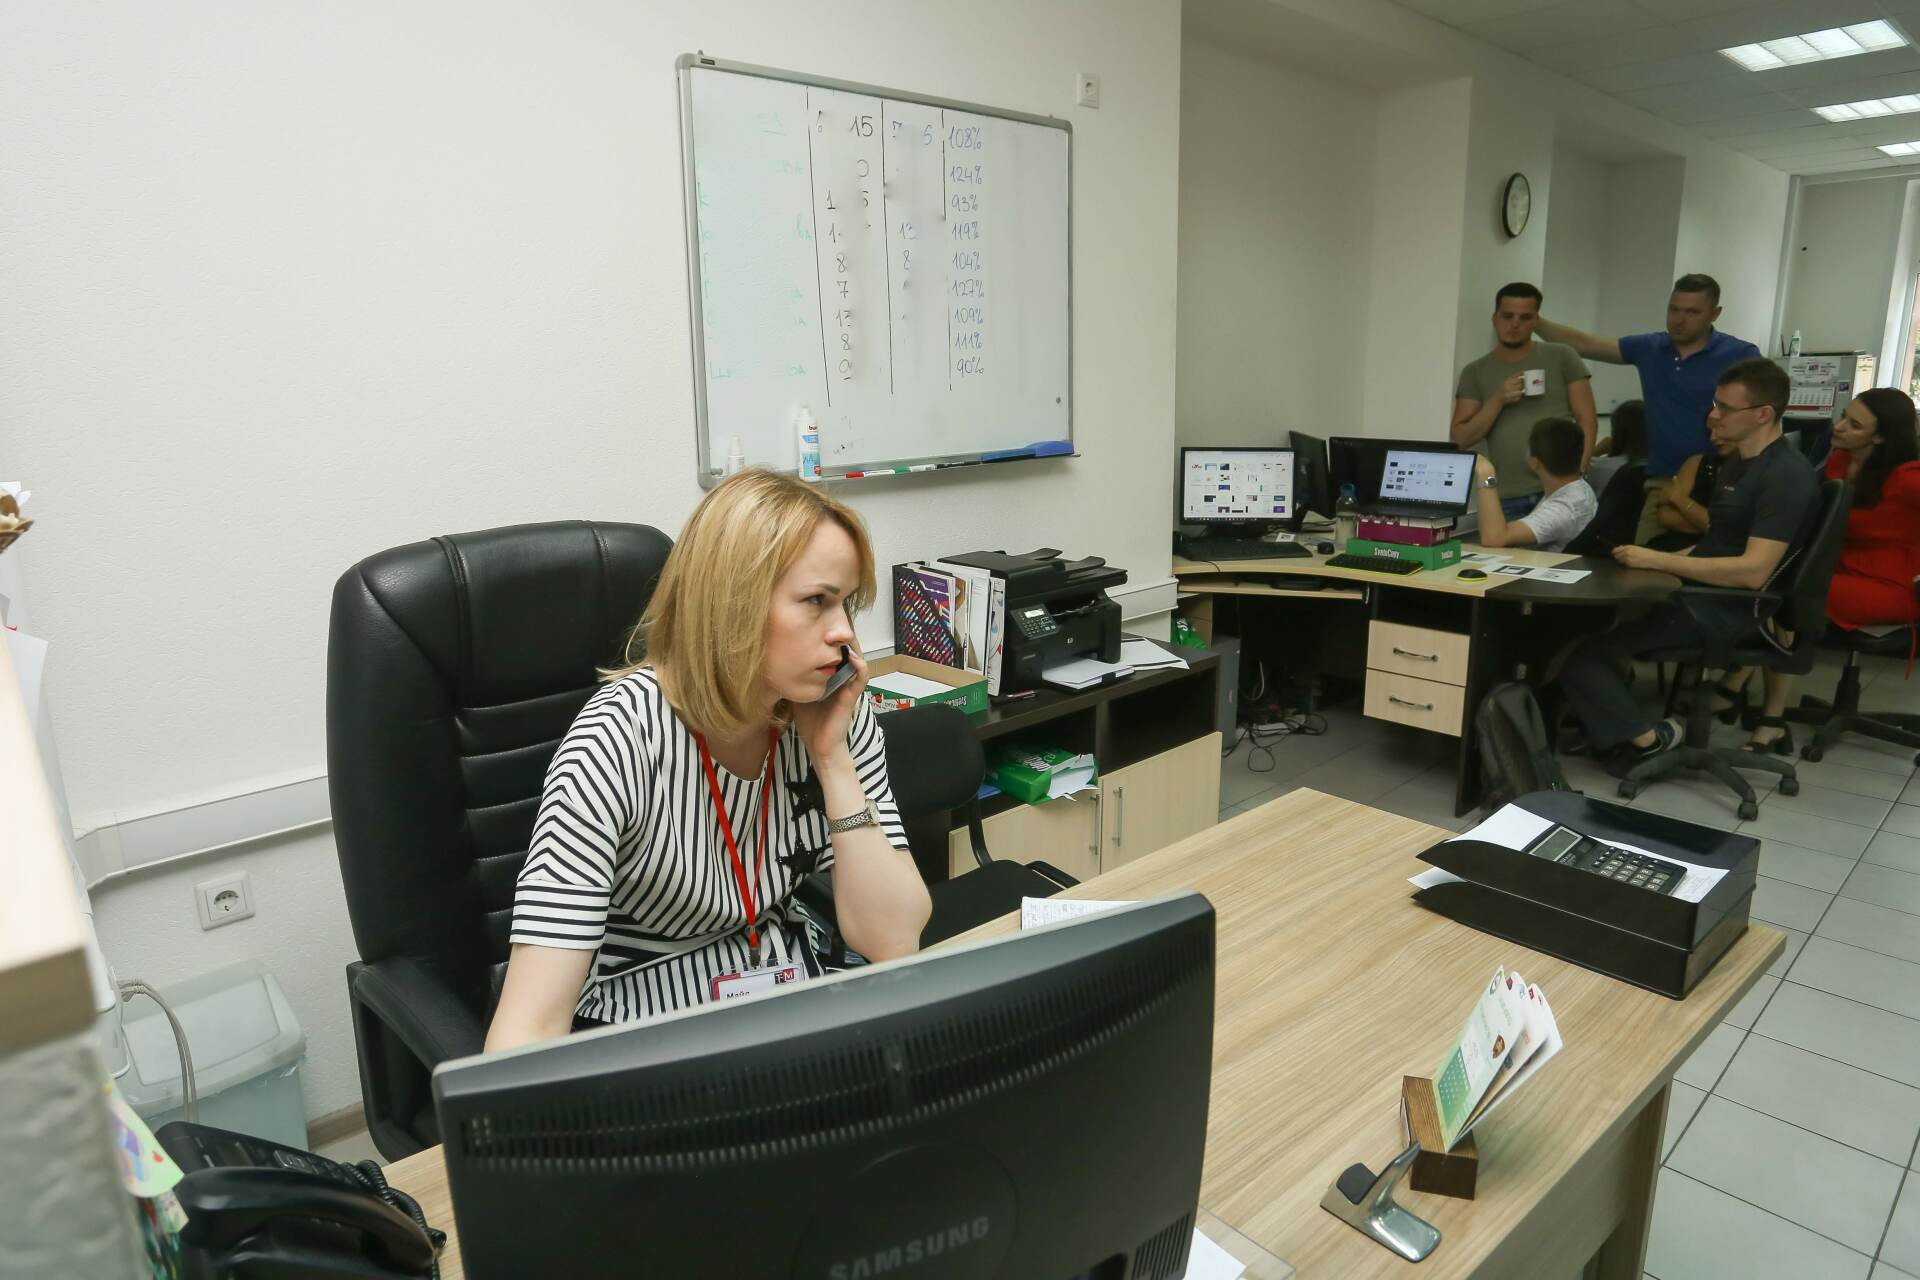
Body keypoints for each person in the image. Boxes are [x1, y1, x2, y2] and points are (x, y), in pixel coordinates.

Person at [485, 470, 932, 1052]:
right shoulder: (618, 736)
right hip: (643, 1026)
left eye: (846, 603)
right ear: (733, 604)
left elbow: (894, 942)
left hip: (786, 999)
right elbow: (530, 1025)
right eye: (816, 602)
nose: (844, 633)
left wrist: (832, 760)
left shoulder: (831, 706)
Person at [1555, 358, 1819, 775]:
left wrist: (1659, 560)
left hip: (1727, 608)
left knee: (1579, 654)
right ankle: (1611, 732)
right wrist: (1658, 564)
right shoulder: (1740, 464)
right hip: (1702, 594)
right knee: (1581, 625)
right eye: (1716, 404)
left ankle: (1649, 737)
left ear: (1763, 414)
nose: (1714, 415)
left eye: (1725, 408)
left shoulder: (1784, 476)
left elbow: (1753, 572)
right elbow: (1717, 543)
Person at [1715, 388, 1920, 753]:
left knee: (1786, 591)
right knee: (1777, 581)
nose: (1839, 427)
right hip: (1836, 570)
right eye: (1843, 416)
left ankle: (1739, 687)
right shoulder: (1838, 461)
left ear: (1880, 437)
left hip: (1891, 584)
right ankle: (1768, 717)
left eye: (1854, 425)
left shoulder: (1909, 480)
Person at [1535, 274, 1762, 537]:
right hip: (1663, 481)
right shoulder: (1650, 347)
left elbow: (1763, 413)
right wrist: (1534, 321)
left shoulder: (1740, 354)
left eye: (1692, 312)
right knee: (1645, 557)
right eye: (1674, 309)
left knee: (1719, 552)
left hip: (1723, 480)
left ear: (1714, 314)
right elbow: (1585, 344)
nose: (1679, 319)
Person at [1451, 283, 1597, 518]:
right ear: (1495, 318)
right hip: (1508, 494)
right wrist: (1498, 399)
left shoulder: (1562, 356)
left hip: (1560, 490)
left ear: (1536, 321)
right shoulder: (1476, 371)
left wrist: (1578, 473)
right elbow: (1460, 439)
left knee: (1568, 546)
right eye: (1508, 316)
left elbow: (1587, 420)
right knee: (1502, 543)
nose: (1515, 324)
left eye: (1525, 317)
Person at [1469, 417, 1596, 552]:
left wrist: (1486, 472)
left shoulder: (1564, 508)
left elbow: (1494, 538)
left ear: (1535, 462)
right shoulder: (1577, 489)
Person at [1646, 434, 1738, 551]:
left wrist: (1679, 499)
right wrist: (1705, 524)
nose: (1713, 437)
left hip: (1716, 552)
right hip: (1673, 544)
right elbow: (1665, 516)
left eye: (1721, 428)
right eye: (1710, 430)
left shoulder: (1754, 474)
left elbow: (1727, 530)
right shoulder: (1697, 462)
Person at [1585, 399, 1647, 498]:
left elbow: (1574, 475)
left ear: (1617, 433)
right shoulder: (1660, 467)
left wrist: (1595, 451)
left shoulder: (1596, 467)